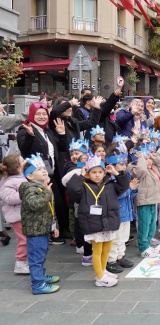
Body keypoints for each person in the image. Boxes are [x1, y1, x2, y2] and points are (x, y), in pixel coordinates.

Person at [66, 154, 129, 287]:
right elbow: (72, 190)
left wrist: (116, 173)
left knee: (107, 248)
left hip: (109, 222)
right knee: (97, 250)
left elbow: (124, 186)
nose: (97, 175)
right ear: (88, 174)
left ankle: (103, 270)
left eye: (100, 172)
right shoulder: (83, 186)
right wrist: (80, 176)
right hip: (93, 223)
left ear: (105, 172)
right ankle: (99, 276)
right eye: (93, 172)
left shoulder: (110, 184)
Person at [17, 102, 69, 244]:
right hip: (37, 176)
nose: (41, 116)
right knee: (50, 203)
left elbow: (62, 147)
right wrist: (30, 136)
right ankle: (52, 233)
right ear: (32, 114)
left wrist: (62, 134)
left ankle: (62, 230)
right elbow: (25, 149)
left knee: (60, 202)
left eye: (44, 114)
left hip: (52, 172)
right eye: (38, 114)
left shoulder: (47, 131)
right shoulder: (24, 129)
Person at [19, 154, 61, 294]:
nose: (43, 170)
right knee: (36, 257)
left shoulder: (43, 187)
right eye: (38, 169)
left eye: (43, 168)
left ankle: (41, 276)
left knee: (41, 254)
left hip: (43, 228)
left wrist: (54, 226)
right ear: (30, 176)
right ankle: (37, 284)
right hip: (35, 230)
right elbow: (34, 204)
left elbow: (51, 209)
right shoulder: (28, 188)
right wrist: (48, 193)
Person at [127, 149, 160, 258]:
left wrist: (154, 158)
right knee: (144, 225)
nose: (148, 161)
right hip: (144, 201)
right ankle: (143, 247)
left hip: (153, 200)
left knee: (152, 225)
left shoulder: (153, 168)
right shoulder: (133, 168)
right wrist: (141, 160)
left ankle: (148, 244)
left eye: (149, 159)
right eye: (146, 159)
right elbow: (141, 171)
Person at [0, 154, 29, 274]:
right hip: (16, 216)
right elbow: (9, 198)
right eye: (23, 161)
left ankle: (24, 260)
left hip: (22, 214)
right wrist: (26, 193)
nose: (26, 161)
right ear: (17, 168)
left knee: (26, 238)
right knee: (24, 239)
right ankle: (20, 262)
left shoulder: (20, 177)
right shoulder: (8, 182)